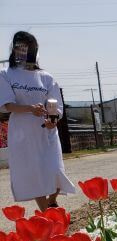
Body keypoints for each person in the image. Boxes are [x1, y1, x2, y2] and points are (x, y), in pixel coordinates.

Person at [0, 32, 75, 212]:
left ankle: (51, 201)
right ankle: (47, 215)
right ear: (14, 48)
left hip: (46, 131)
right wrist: (29, 109)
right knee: (34, 174)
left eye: (29, 46)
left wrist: (52, 120)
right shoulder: (6, 74)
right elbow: (7, 105)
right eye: (20, 46)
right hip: (22, 132)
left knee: (56, 170)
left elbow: (56, 105)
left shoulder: (46, 77)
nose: (24, 50)